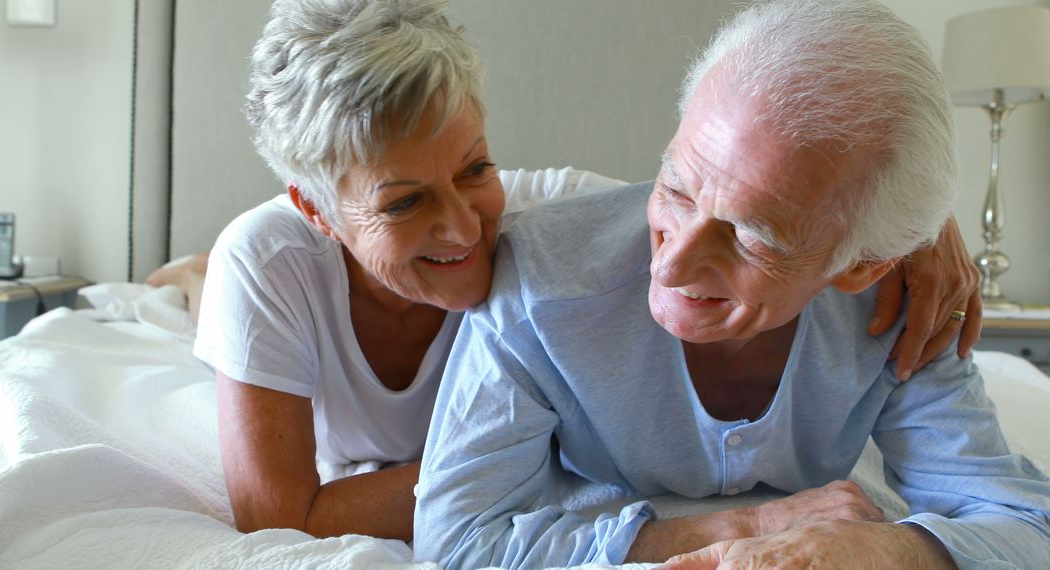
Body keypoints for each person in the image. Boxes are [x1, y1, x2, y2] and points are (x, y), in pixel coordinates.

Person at [174, 0, 980, 543]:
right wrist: (526, 458)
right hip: (263, 281)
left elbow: (724, 195)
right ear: (318, 210)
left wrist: (915, 228)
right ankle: (182, 283)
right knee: (196, 294)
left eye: (475, 168)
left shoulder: (544, 220)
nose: (461, 226)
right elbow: (283, 517)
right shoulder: (271, 262)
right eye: (403, 202)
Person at [412, 1, 1050, 568]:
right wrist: (746, 527)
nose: (672, 267)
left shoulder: (904, 299)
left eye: (752, 235)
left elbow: (1022, 526)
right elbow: (460, 541)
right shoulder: (537, 288)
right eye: (675, 189)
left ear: (862, 265)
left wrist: (894, 548)